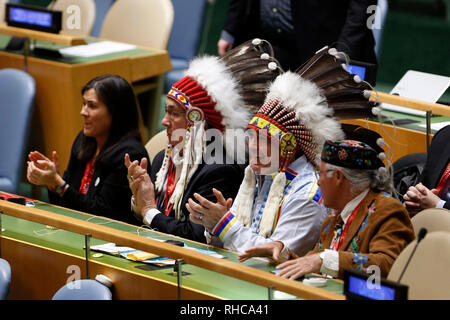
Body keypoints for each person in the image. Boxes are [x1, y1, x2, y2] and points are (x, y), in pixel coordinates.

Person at [186, 46, 379, 257]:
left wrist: (223, 225)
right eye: (251, 137)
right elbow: (232, 241)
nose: (253, 148)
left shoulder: (308, 194)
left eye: (264, 141)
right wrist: (213, 224)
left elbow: (274, 256)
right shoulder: (257, 174)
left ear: (289, 147)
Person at [126, 39, 282, 243]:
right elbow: (143, 221)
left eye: (174, 113)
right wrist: (139, 198)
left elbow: (195, 234)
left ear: (197, 121)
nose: (164, 121)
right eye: (166, 112)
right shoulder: (161, 162)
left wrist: (148, 211)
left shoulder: (220, 170)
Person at [239, 137, 415, 280]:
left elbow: (388, 265)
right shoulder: (334, 215)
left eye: (321, 174)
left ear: (338, 177)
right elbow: (311, 263)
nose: (318, 181)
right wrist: (281, 251)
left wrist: (324, 259)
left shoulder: (388, 210)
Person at [27, 74, 149, 225]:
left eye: (92, 106)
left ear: (115, 112)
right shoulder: (84, 140)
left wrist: (60, 184)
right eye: (84, 104)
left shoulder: (130, 154)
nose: (83, 112)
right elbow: (66, 204)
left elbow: (102, 215)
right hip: (74, 229)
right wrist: (52, 182)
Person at [218, 0, 378, 71]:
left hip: (323, 54)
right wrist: (230, 31)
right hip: (263, 45)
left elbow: (364, 6)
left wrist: (344, 52)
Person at [403, 125, 450, 214]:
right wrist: (414, 201)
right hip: (425, 223)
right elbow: (424, 186)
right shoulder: (445, 136)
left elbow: (433, 204)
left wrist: (439, 206)